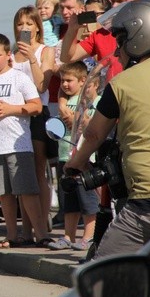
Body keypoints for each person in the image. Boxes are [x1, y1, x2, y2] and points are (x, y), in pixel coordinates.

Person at [65, 0, 150, 258]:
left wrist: (74, 164)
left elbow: (93, 134)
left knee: (103, 275)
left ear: (139, 36)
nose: (117, 51)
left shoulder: (122, 83)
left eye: (120, 40)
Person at [0, 33, 53, 249]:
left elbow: (36, 106)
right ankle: (12, 235)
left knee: (27, 191)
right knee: (4, 194)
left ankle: (41, 234)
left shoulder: (19, 77)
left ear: (8, 55)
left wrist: (10, 109)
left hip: (18, 144)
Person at [11, 6, 56, 244]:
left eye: (29, 23)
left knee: (39, 170)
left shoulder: (45, 51)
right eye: (20, 24)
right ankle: (25, 229)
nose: (25, 28)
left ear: (38, 26)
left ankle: (42, 225)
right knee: (21, 173)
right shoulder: (10, 54)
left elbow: (42, 86)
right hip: (16, 116)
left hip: (38, 113)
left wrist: (31, 58)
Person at [48, 61, 99, 251]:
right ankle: (68, 236)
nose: (64, 84)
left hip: (84, 158)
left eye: (69, 80)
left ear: (83, 81)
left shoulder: (88, 101)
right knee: (69, 201)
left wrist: (81, 118)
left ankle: (88, 236)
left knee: (87, 200)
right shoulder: (65, 101)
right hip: (65, 157)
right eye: (63, 80)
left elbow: (93, 125)